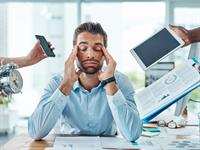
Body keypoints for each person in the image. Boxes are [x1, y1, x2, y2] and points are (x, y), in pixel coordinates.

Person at [28, 22, 143, 141]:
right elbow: (35, 132)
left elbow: (133, 133)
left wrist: (110, 83)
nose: (90, 55)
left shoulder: (120, 81)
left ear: (105, 53)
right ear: (74, 52)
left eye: (97, 48)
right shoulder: (57, 82)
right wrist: (66, 84)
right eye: (83, 48)